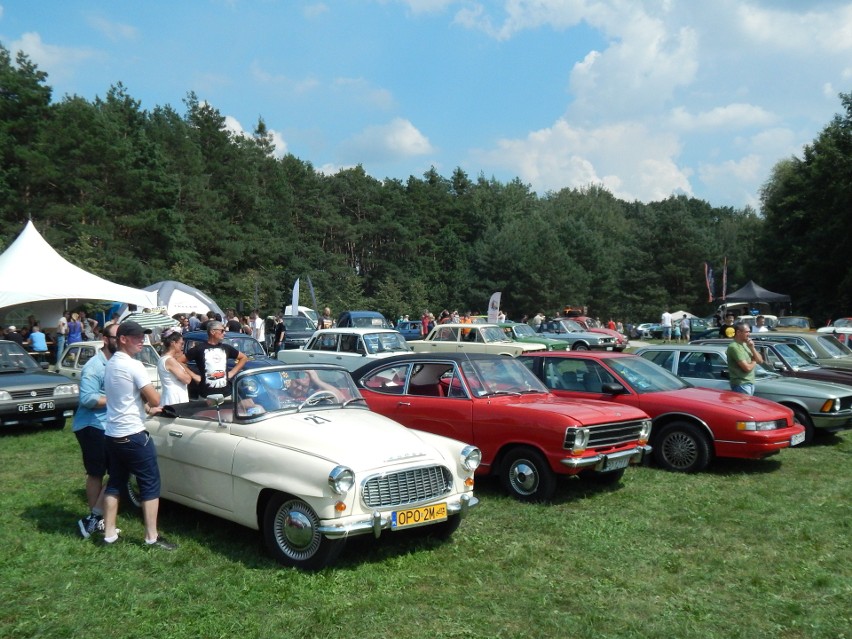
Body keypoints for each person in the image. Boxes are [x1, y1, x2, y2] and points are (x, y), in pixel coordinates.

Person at [102, 321, 175, 549]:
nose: (141, 341)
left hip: (113, 433)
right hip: (133, 434)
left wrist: (144, 408)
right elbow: (155, 399)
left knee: (115, 483)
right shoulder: (134, 365)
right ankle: (151, 537)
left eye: (142, 337)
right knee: (150, 485)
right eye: (136, 337)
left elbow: (124, 398)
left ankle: (109, 534)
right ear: (123, 339)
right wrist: (153, 404)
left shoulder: (111, 363)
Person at [72, 323, 118, 538]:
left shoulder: (120, 362)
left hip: (111, 424)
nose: (121, 340)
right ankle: (95, 518)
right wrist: (119, 399)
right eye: (116, 337)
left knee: (119, 470)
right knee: (96, 472)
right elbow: (88, 399)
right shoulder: (95, 366)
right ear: (105, 339)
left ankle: (99, 517)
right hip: (92, 425)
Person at [184, 321, 248, 398]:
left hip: (226, 393)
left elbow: (243, 357)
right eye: (222, 330)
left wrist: (232, 372)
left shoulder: (226, 348)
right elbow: (179, 361)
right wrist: (194, 376)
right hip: (206, 395)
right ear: (212, 332)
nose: (224, 333)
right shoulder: (199, 349)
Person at [157, 327, 200, 405]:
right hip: (175, 398)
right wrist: (184, 369)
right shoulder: (170, 360)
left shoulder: (163, 358)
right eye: (181, 343)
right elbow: (187, 380)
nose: (182, 346)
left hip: (172, 395)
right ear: (173, 343)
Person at [726, 321, 764, 395]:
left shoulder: (747, 344)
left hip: (750, 382)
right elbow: (747, 368)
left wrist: (752, 348)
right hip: (741, 384)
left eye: (749, 332)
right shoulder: (734, 347)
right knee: (744, 406)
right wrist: (754, 360)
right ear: (738, 332)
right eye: (746, 332)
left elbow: (760, 361)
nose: (749, 334)